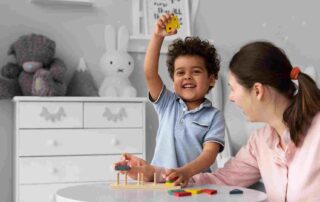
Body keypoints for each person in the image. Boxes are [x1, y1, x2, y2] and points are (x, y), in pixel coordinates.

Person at [115, 41, 320, 201]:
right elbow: (220, 180)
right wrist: (155, 173)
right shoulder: (259, 143)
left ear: (257, 91)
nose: (231, 97)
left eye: (233, 88)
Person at [117, 13, 225, 186]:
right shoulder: (167, 104)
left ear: (211, 79)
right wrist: (157, 36)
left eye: (196, 71)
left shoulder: (214, 116)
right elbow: (150, 73)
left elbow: (209, 155)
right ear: (173, 79)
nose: (187, 77)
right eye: (180, 73)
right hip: (159, 182)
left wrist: (185, 172)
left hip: (195, 184)